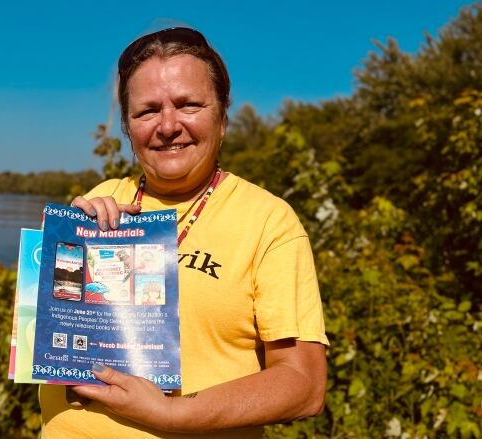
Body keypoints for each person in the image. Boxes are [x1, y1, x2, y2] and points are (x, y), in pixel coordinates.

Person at [39, 27, 328, 438]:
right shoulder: (101, 201)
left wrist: (172, 415)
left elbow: (304, 386)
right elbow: (47, 341)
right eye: (147, 111)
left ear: (222, 116)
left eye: (189, 104)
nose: (168, 125)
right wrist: (65, 246)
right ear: (127, 125)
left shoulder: (268, 222)